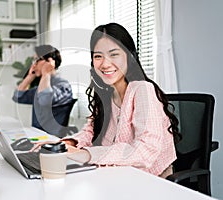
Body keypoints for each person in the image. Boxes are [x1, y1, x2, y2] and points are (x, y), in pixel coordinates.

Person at [33, 23, 181, 178]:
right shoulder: (106, 93)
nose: (105, 64)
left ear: (129, 56)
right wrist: (66, 145)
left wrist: (85, 154)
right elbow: (90, 132)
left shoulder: (142, 90)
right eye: (98, 56)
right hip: (117, 175)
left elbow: (146, 150)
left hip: (150, 179)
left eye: (114, 54)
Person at [12, 45, 73, 137]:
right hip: (37, 136)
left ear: (49, 62)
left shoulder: (63, 86)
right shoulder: (42, 85)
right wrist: (30, 77)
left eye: (36, 60)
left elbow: (45, 101)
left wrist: (46, 73)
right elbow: (18, 97)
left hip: (52, 140)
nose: (33, 65)